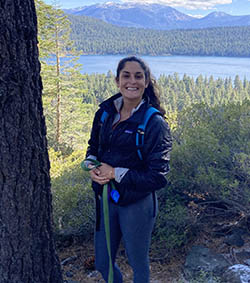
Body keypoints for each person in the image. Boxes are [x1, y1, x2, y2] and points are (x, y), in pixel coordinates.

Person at [84, 56, 172, 283]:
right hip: (106, 198)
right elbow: (93, 148)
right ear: (117, 80)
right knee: (103, 263)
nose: (132, 81)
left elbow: (158, 177)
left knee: (138, 263)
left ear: (146, 82)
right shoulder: (105, 113)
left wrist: (115, 173)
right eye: (126, 75)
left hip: (137, 202)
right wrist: (92, 166)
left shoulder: (154, 123)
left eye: (138, 76)